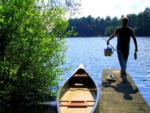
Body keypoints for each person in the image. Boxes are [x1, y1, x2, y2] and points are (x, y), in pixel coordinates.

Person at [107, 16, 138, 80]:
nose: (124, 23)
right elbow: (113, 35)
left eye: (125, 22)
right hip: (119, 48)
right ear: (122, 22)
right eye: (123, 22)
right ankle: (124, 74)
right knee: (122, 61)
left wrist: (136, 47)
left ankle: (122, 71)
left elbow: (134, 38)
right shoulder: (118, 29)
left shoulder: (130, 30)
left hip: (126, 48)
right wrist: (108, 40)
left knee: (125, 62)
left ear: (127, 22)